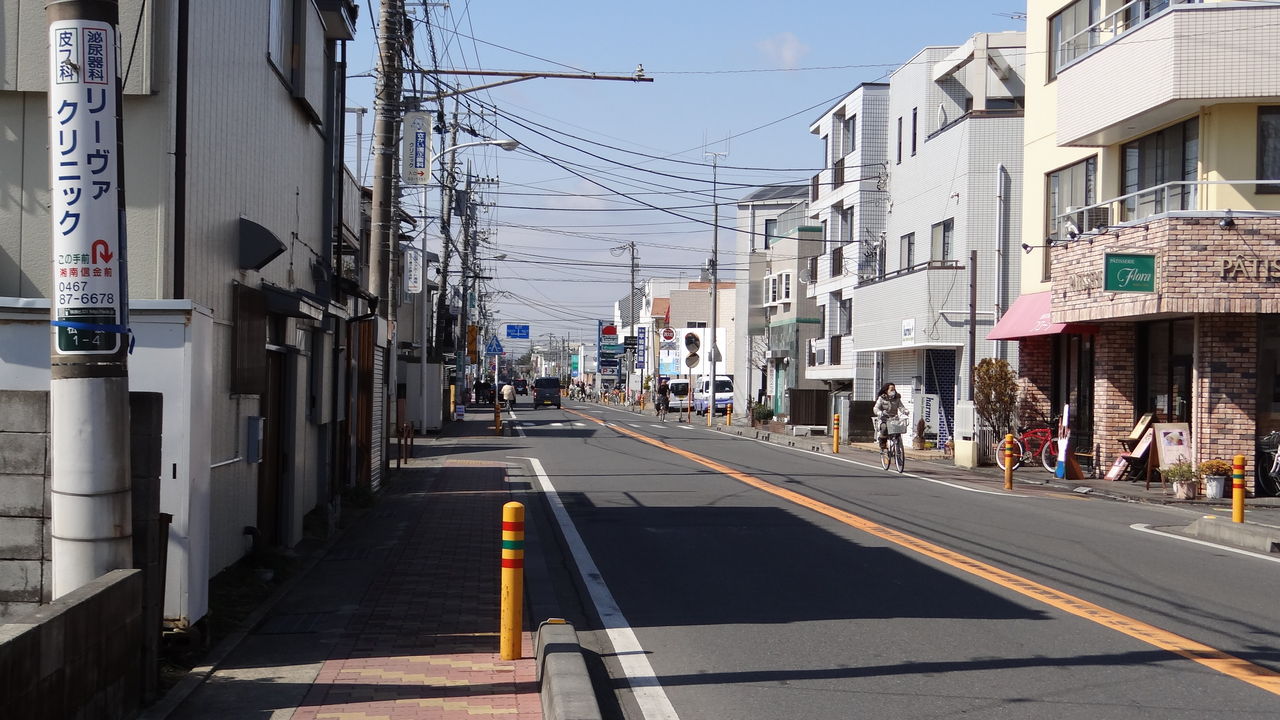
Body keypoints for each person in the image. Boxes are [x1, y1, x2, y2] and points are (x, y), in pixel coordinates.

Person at [873, 382, 905, 450]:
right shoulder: (882, 398)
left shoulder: (897, 398)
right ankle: (883, 442)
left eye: (894, 389)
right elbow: (875, 408)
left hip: (894, 419)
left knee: (898, 430)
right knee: (884, 428)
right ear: (886, 390)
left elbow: (901, 407)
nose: (893, 391)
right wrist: (879, 412)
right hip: (884, 419)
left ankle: (898, 444)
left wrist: (905, 411)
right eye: (891, 390)